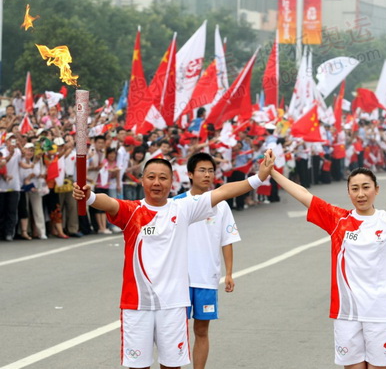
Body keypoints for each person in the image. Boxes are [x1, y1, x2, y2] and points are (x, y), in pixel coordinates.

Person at [72, 150, 275, 369]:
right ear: (142, 181)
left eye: (163, 177)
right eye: (151, 177)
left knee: (172, 366)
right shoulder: (132, 211)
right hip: (137, 304)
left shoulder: (183, 208)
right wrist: (90, 196)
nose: (156, 182)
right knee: (137, 366)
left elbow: (223, 192)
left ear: (172, 181)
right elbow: (109, 203)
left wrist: (258, 178)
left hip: (174, 304)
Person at [269, 164, 386, 369]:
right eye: (355, 188)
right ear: (349, 192)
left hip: (381, 313)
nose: (361, 194)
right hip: (347, 313)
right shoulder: (338, 220)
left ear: (376, 189)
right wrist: (272, 172)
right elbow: (304, 194)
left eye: (366, 187)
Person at [174, 152, 240, 369]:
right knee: (176, 331)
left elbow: (227, 239)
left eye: (211, 171)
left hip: (206, 278)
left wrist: (229, 272)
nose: (207, 175)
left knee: (201, 331)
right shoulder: (177, 203)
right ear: (190, 174)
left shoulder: (221, 204)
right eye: (202, 170)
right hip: (179, 280)